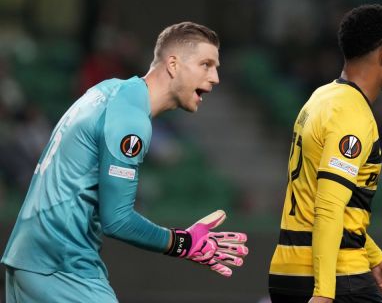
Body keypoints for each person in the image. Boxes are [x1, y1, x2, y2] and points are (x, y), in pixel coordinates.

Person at [2, 22, 248, 303]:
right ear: (173, 64)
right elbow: (117, 220)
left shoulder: (110, 91)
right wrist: (183, 243)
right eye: (206, 64)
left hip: (30, 261)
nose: (215, 77)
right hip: (61, 268)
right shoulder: (130, 119)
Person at [268, 4, 382, 303]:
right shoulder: (351, 114)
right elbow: (328, 207)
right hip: (337, 278)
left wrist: (373, 256)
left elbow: (314, 197)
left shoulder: (320, 98)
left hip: (287, 271)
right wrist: (324, 293)